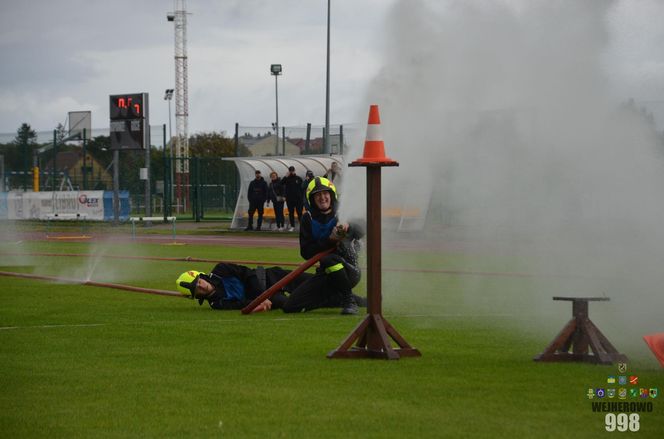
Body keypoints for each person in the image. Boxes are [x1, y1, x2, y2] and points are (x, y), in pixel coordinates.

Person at [283, 176, 365, 315]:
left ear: (331, 195)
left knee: (329, 259)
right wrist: (330, 240)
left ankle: (349, 301)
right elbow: (306, 252)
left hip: (350, 270)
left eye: (325, 193)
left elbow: (363, 229)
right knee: (290, 306)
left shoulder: (343, 212)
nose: (322, 198)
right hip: (325, 273)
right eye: (318, 195)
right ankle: (359, 301)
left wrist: (348, 227)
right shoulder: (307, 218)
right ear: (312, 199)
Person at [176, 263, 307, 311]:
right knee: (294, 304)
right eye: (197, 289)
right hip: (270, 299)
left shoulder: (221, 269)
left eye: (199, 282)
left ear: (201, 277)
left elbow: (248, 273)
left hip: (269, 277)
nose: (202, 287)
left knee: (310, 281)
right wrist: (256, 304)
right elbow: (241, 304)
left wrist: (261, 297)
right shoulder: (217, 304)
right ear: (197, 296)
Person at [281, 166, 303, 232]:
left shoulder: (298, 178)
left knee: (299, 213)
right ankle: (292, 226)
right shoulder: (287, 178)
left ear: (294, 170)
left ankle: (302, 226)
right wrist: (285, 176)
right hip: (289, 199)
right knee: (291, 213)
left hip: (298, 199)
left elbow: (302, 189)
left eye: (292, 170)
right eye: (290, 170)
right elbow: (281, 183)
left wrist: (301, 197)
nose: (291, 171)